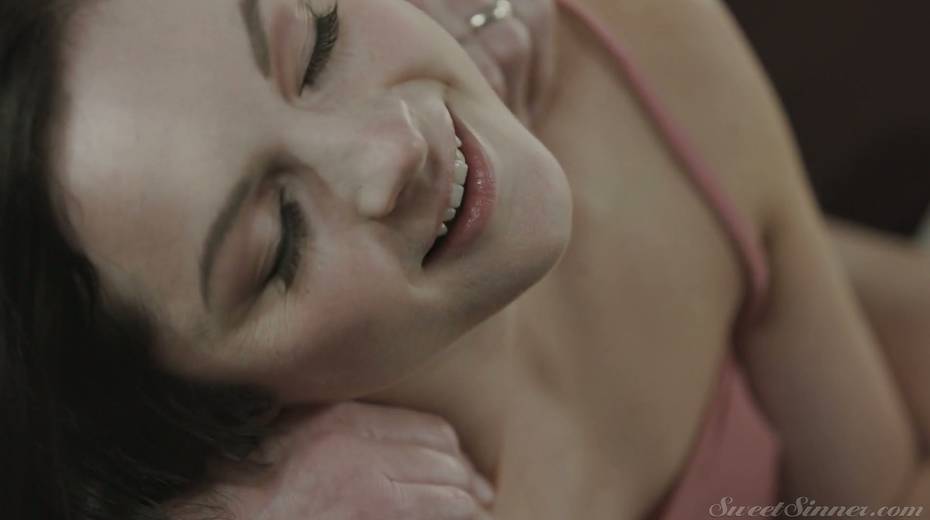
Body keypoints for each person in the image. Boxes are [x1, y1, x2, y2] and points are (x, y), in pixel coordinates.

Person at [2, 1, 928, 519]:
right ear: (205, 415)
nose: (391, 150)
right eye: (278, 241)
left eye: (318, 40)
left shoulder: (634, 49)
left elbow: (881, 491)